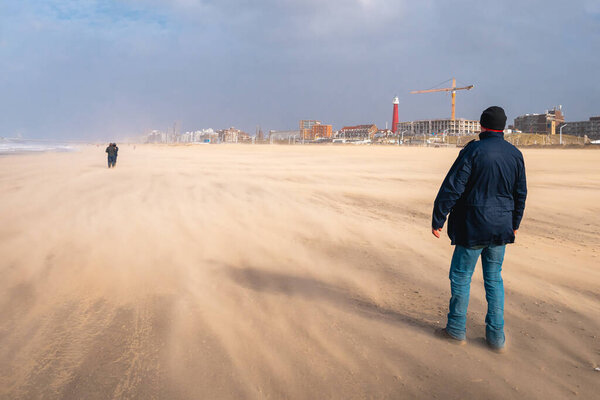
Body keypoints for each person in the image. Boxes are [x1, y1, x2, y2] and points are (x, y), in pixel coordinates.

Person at [431, 106, 527, 353]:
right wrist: (514, 224)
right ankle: (496, 338)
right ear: (502, 127)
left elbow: (453, 187)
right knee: (494, 280)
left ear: (482, 126)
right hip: (501, 226)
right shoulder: (515, 154)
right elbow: (520, 194)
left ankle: (455, 330)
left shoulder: (473, 150)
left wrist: (438, 218)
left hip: (473, 226)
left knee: (461, 277)